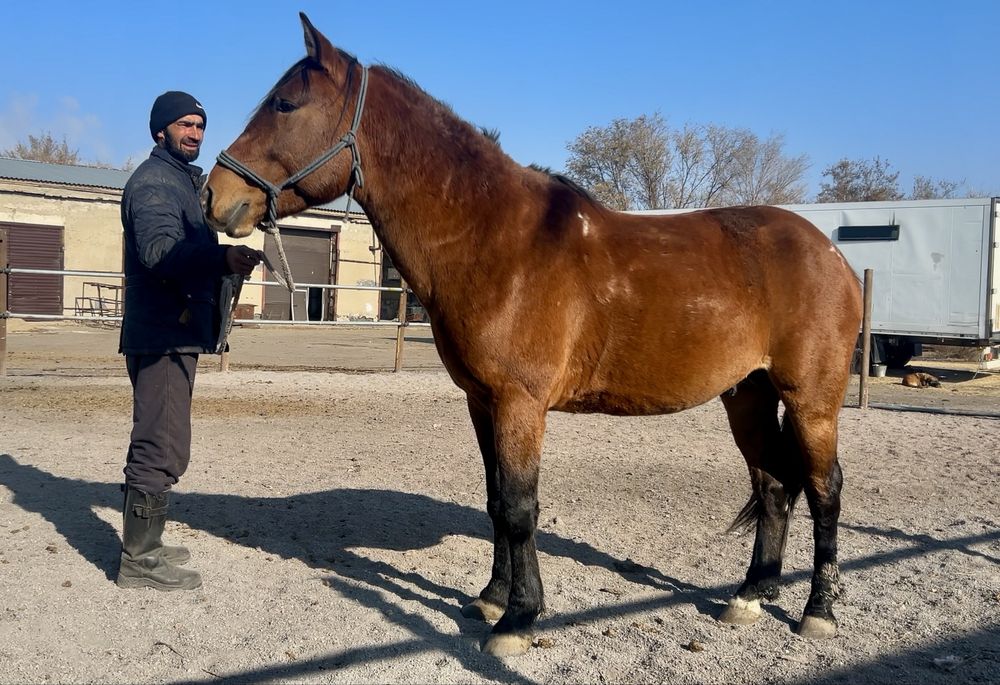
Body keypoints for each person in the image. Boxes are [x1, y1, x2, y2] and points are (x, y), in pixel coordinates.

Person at [117, 91, 261, 591]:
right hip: (161, 334)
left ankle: (148, 542)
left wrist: (227, 255)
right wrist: (219, 260)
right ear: (161, 130)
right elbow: (159, 251)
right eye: (185, 124)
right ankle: (138, 558)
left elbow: (188, 245)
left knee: (170, 440)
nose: (195, 133)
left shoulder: (182, 182)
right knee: (158, 442)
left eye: (200, 125)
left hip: (176, 332)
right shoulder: (155, 183)